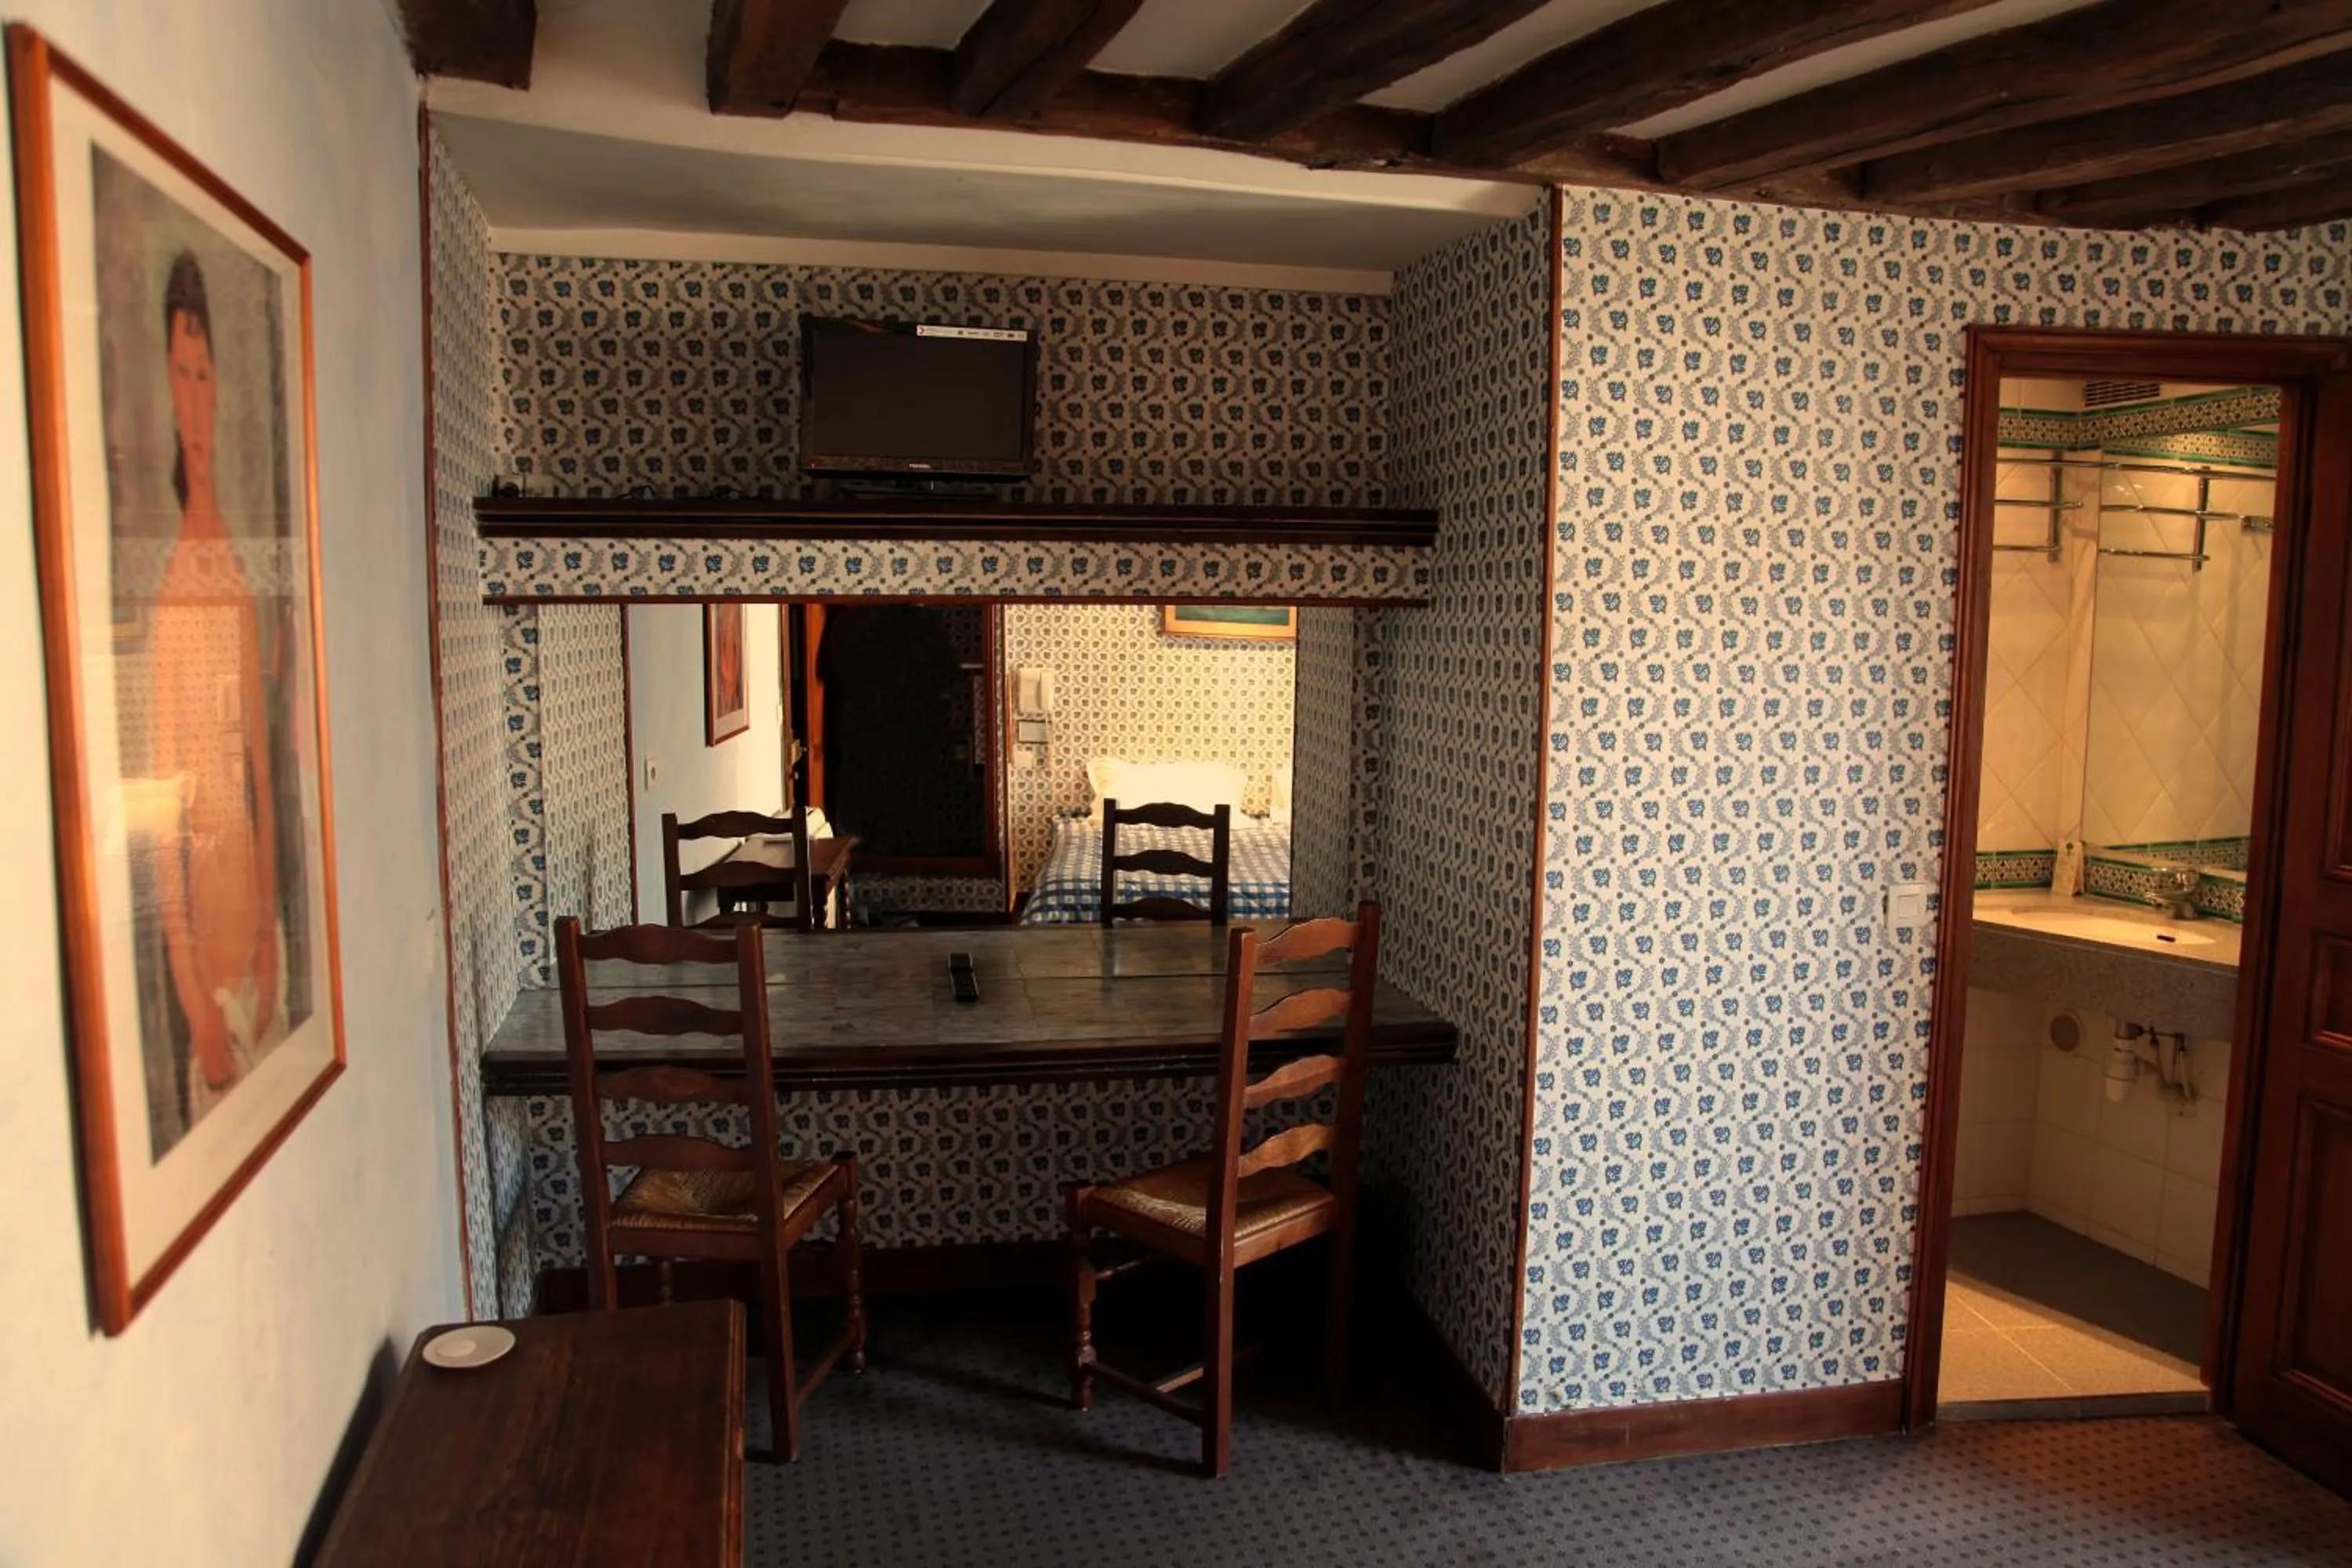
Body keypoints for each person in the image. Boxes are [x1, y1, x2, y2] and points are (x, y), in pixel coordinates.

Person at [144, 249, 289, 1124]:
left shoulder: (236, 567)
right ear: (167, 391)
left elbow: (259, 777)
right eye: (180, 374)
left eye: (203, 372)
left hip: (255, 926)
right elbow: (166, 813)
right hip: (206, 936)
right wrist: (195, 996)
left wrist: (275, 941)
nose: (194, 397)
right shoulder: (169, 581)